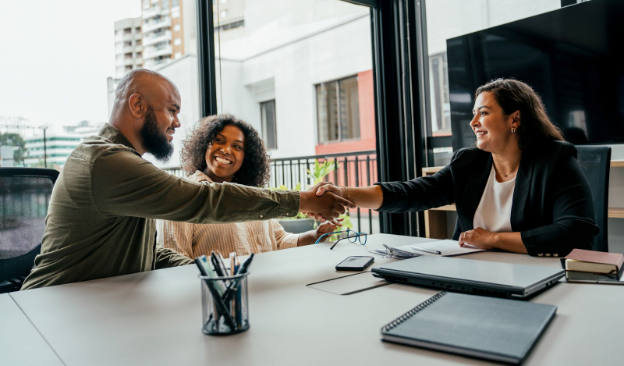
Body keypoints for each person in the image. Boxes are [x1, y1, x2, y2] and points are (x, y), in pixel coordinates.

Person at [21, 69, 351, 290]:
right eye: (172, 110)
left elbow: (153, 252)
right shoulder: (107, 161)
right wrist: (304, 200)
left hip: (96, 304)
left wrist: (208, 272)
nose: (177, 123)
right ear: (138, 105)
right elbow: (201, 201)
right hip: (50, 307)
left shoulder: (123, 165)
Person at [315, 79, 598, 256]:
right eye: (473, 113)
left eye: (483, 113)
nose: (473, 122)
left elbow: (576, 230)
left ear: (515, 119)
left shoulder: (555, 160)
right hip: (472, 271)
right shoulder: (469, 162)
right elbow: (417, 192)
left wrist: (494, 239)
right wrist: (344, 193)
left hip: (536, 275)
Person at [161, 115, 338, 258]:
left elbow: (279, 240)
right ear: (203, 145)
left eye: (237, 146)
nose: (226, 150)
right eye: (218, 140)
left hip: (267, 291)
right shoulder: (184, 196)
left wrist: (316, 235)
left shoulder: (255, 196)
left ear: (247, 157)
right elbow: (175, 258)